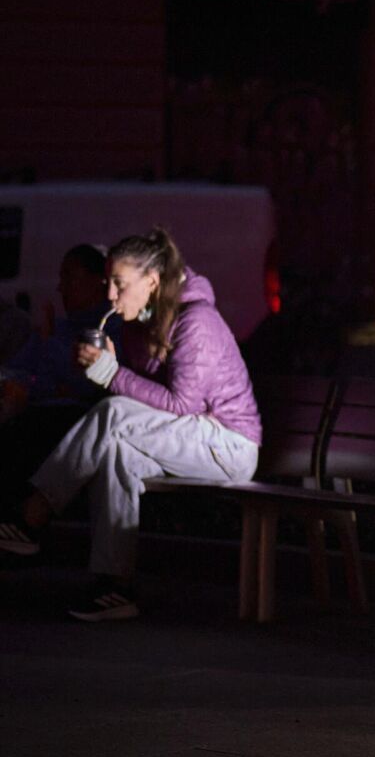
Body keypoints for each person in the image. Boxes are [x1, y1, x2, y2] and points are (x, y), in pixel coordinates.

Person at [0, 229, 260, 622]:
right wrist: (108, 365)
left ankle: (33, 512)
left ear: (152, 282)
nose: (110, 296)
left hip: (228, 445)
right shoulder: (138, 322)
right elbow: (146, 396)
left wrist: (114, 375)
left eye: (119, 285)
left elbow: (181, 404)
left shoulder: (197, 321)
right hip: (186, 437)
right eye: (109, 284)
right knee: (117, 455)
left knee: (115, 411)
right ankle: (114, 587)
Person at [0, 245, 120, 515]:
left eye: (68, 278)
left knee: (23, 435)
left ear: (96, 282)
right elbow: (22, 366)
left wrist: (42, 384)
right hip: (32, 408)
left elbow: (89, 386)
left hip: (71, 421)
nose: (60, 287)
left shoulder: (109, 330)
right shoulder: (62, 327)